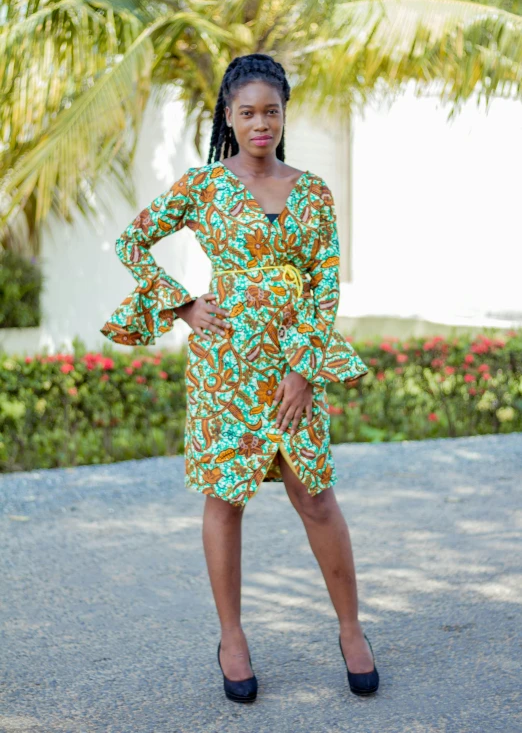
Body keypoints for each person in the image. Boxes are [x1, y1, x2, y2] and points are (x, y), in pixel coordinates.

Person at [101, 53, 379, 701]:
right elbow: (131, 241)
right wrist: (181, 304)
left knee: (315, 495)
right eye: (248, 112)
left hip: (293, 367)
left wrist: (307, 368)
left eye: (271, 111)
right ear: (228, 115)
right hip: (225, 365)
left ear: (284, 114)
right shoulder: (203, 186)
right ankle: (231, 636)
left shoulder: (312, 191)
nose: (261, 123)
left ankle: (351, 627)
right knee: (226, 498)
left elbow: (325, 285)